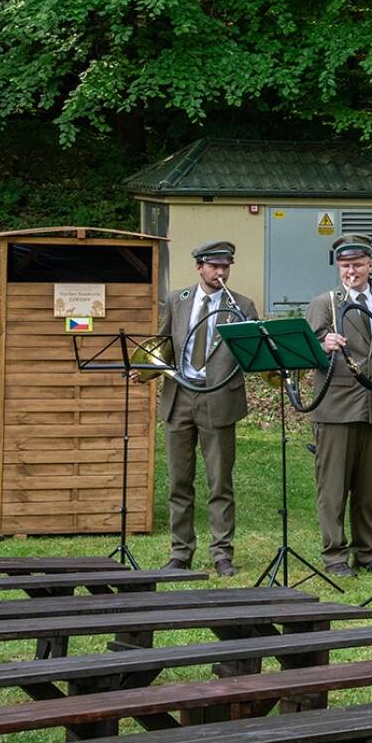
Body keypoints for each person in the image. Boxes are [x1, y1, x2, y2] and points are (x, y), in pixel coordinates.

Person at [155, 240, 257, 577]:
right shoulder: (178, 300)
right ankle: (180, 552)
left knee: (219, 482)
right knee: (179, 481)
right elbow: (164, 343)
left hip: (219, 399)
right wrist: (147, 367)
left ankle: (222, 553)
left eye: (226, 266)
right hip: (180, 395)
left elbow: (253, 354)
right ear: (199, 267)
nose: (220, 272)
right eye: (214, 266)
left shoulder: (241, 304)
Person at [306, 232, 372, 578]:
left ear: (370, 265)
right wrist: (324, 344)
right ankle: (334, 556)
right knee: (332, 489)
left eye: (358, 265)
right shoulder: (324, 303)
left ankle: (367, 553)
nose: (351, 272)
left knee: (367, 489)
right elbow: (306, 353)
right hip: (335, 407)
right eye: (345, 266)